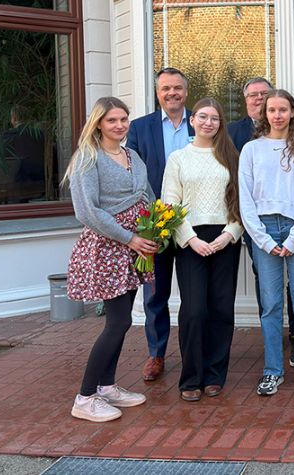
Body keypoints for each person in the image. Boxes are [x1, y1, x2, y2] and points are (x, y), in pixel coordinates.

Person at [64, 97, 157, 422]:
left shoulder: (132, 156)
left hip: (135, 249)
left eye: (123, 119)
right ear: (98, 124)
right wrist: (129, 237)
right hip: (108, 248)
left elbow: (147, 194)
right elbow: (87, 211)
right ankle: (85, 397)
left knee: (124, 319)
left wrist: (155, 228)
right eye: (112, 120)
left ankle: (107, 386)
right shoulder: (88, 159)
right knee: (117, 321)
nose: (119, 125)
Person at [240, 90, 294, 397]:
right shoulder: (251, 150)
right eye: (271, 110)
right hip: (264, 230)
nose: (277, 115)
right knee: (271, 305)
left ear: (292, 113)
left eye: (283, 109)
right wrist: (261, 238)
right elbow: (245, 198)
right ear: (265, 114)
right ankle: (272, 371)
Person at [161, 98, 243, 402]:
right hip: (190, 240)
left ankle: (214, 375)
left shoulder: (231, 156)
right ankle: (191, 377)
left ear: (221, 123)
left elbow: (241, 202)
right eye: (203, 117)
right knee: (194, 311)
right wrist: (189, 238)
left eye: (215, 118)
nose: (209, 123)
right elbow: (169, 203)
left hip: (224, 238)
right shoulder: (178, 158)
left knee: (221, 310)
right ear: (192, 120)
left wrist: (230, 234)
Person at [126, 67, 195, 382]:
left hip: (195, 222)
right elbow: (133, 179)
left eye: (177, 88)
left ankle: (194, 352)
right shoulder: (141, 128)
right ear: (158, 93)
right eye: (166, 88)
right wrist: (143, 223)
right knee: (155, 294)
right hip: (156, 223)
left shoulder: (201, 121)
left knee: (195, 295)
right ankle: (156, 354)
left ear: (186, 91)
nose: (172, 93)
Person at [228, 76, 273, 333]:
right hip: (249, 215)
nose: (259, 98)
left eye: (264, 94)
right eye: (253, 95)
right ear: (246, 101)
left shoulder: (288, 126)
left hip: (287, 215)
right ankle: (270, 330)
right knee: (263, 275)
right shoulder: (233, 131)